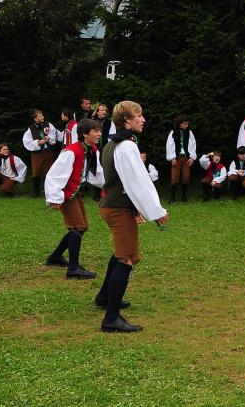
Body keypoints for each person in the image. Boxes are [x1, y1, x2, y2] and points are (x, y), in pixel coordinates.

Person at [95, 100, 168, 333]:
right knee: (126, 258)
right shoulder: (126, 146)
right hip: (117, 208)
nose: (143, 119)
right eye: (139, 115)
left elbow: (121, 180)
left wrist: (138, 209)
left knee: (121, 253)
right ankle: (111, 318)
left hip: (112, 205)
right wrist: (155, 211)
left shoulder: (110, 145)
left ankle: (104, 297)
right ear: (126, 119)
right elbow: (138, 181)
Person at [44, 119, 105, 278]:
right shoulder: (71, 152)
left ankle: (56, 257)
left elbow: (97, 174)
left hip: (75, 192)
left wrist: (110, 185)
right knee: (77, 227)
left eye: (99, 130)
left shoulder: (92, 150)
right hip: (65, 193)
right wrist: (54, 198)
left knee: (82, 227)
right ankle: (73, 269)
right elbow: (53, 176)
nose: (99, 134)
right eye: (95, 131)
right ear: (85, 133)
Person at [22, 108, 58, 197]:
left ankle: (47, 191)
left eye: (42, 115)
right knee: (36, 171)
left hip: (48, 152)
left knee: (48, 171)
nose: (42, 116)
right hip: (37, 154)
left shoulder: (48, 125)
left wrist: (49, 138)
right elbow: (26, 142)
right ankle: (35, 192)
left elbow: (54, 134)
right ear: (35, 118)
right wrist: (38, 142)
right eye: (40, 115)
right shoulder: (30, 129)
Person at [166, 114, 197, 203]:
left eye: (187, 124)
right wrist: (172, 158)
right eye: (185, 124)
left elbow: (193, 145)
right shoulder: (173, 132)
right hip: (177, 158)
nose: (187, 125)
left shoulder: (189, 133)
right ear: (180, 124)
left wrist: (192, 157)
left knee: (186, 178)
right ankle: (172, 198)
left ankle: (184, 197)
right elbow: (169, 145)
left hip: (186, 159)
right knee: (174, 178)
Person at [92, 103, 117, 201]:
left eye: (105, 110)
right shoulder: (92, 122)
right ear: (97, 112)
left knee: (105, 169)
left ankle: (106, 191)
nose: (103, 112)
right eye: (101, 110)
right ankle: (96, 193)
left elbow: (112, 136)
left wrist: (108, 148)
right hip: (94, 148)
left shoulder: (110, 123)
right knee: (94, 168)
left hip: (105, 149)